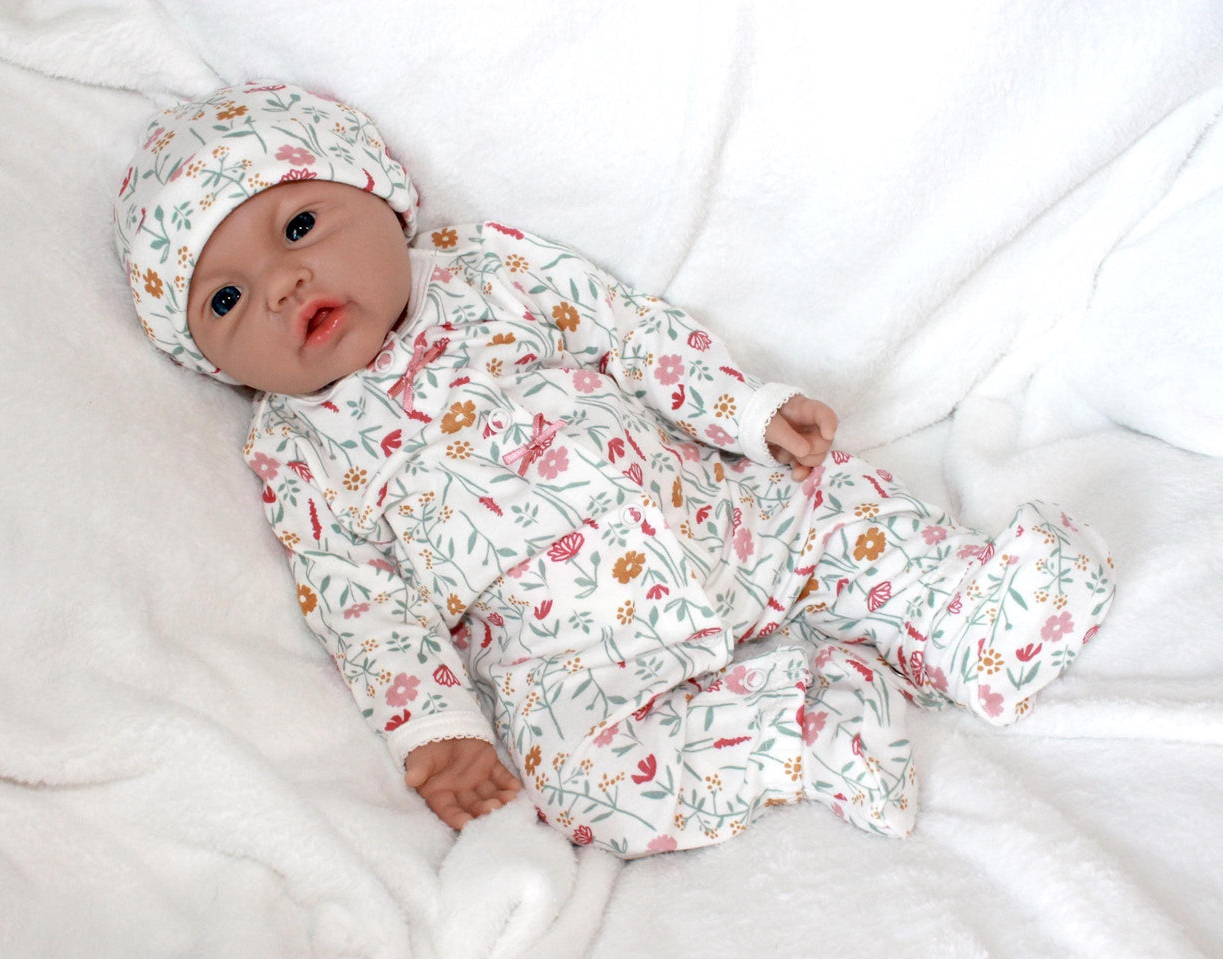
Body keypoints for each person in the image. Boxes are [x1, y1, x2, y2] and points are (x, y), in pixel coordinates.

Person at [113, 81, 1116, 858]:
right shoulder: (298, 452)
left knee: (837, 512)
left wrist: (745, 411)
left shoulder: (484, 273)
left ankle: (977, 617)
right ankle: (808, 724)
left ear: (383, 200)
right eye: (226, 301)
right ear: (205, 359)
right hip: (573, 649)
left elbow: (630, 335)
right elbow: (361, 602)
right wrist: (434, 725)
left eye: (297, 227)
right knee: (580, 783)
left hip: (717, 509)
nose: (282, 283)